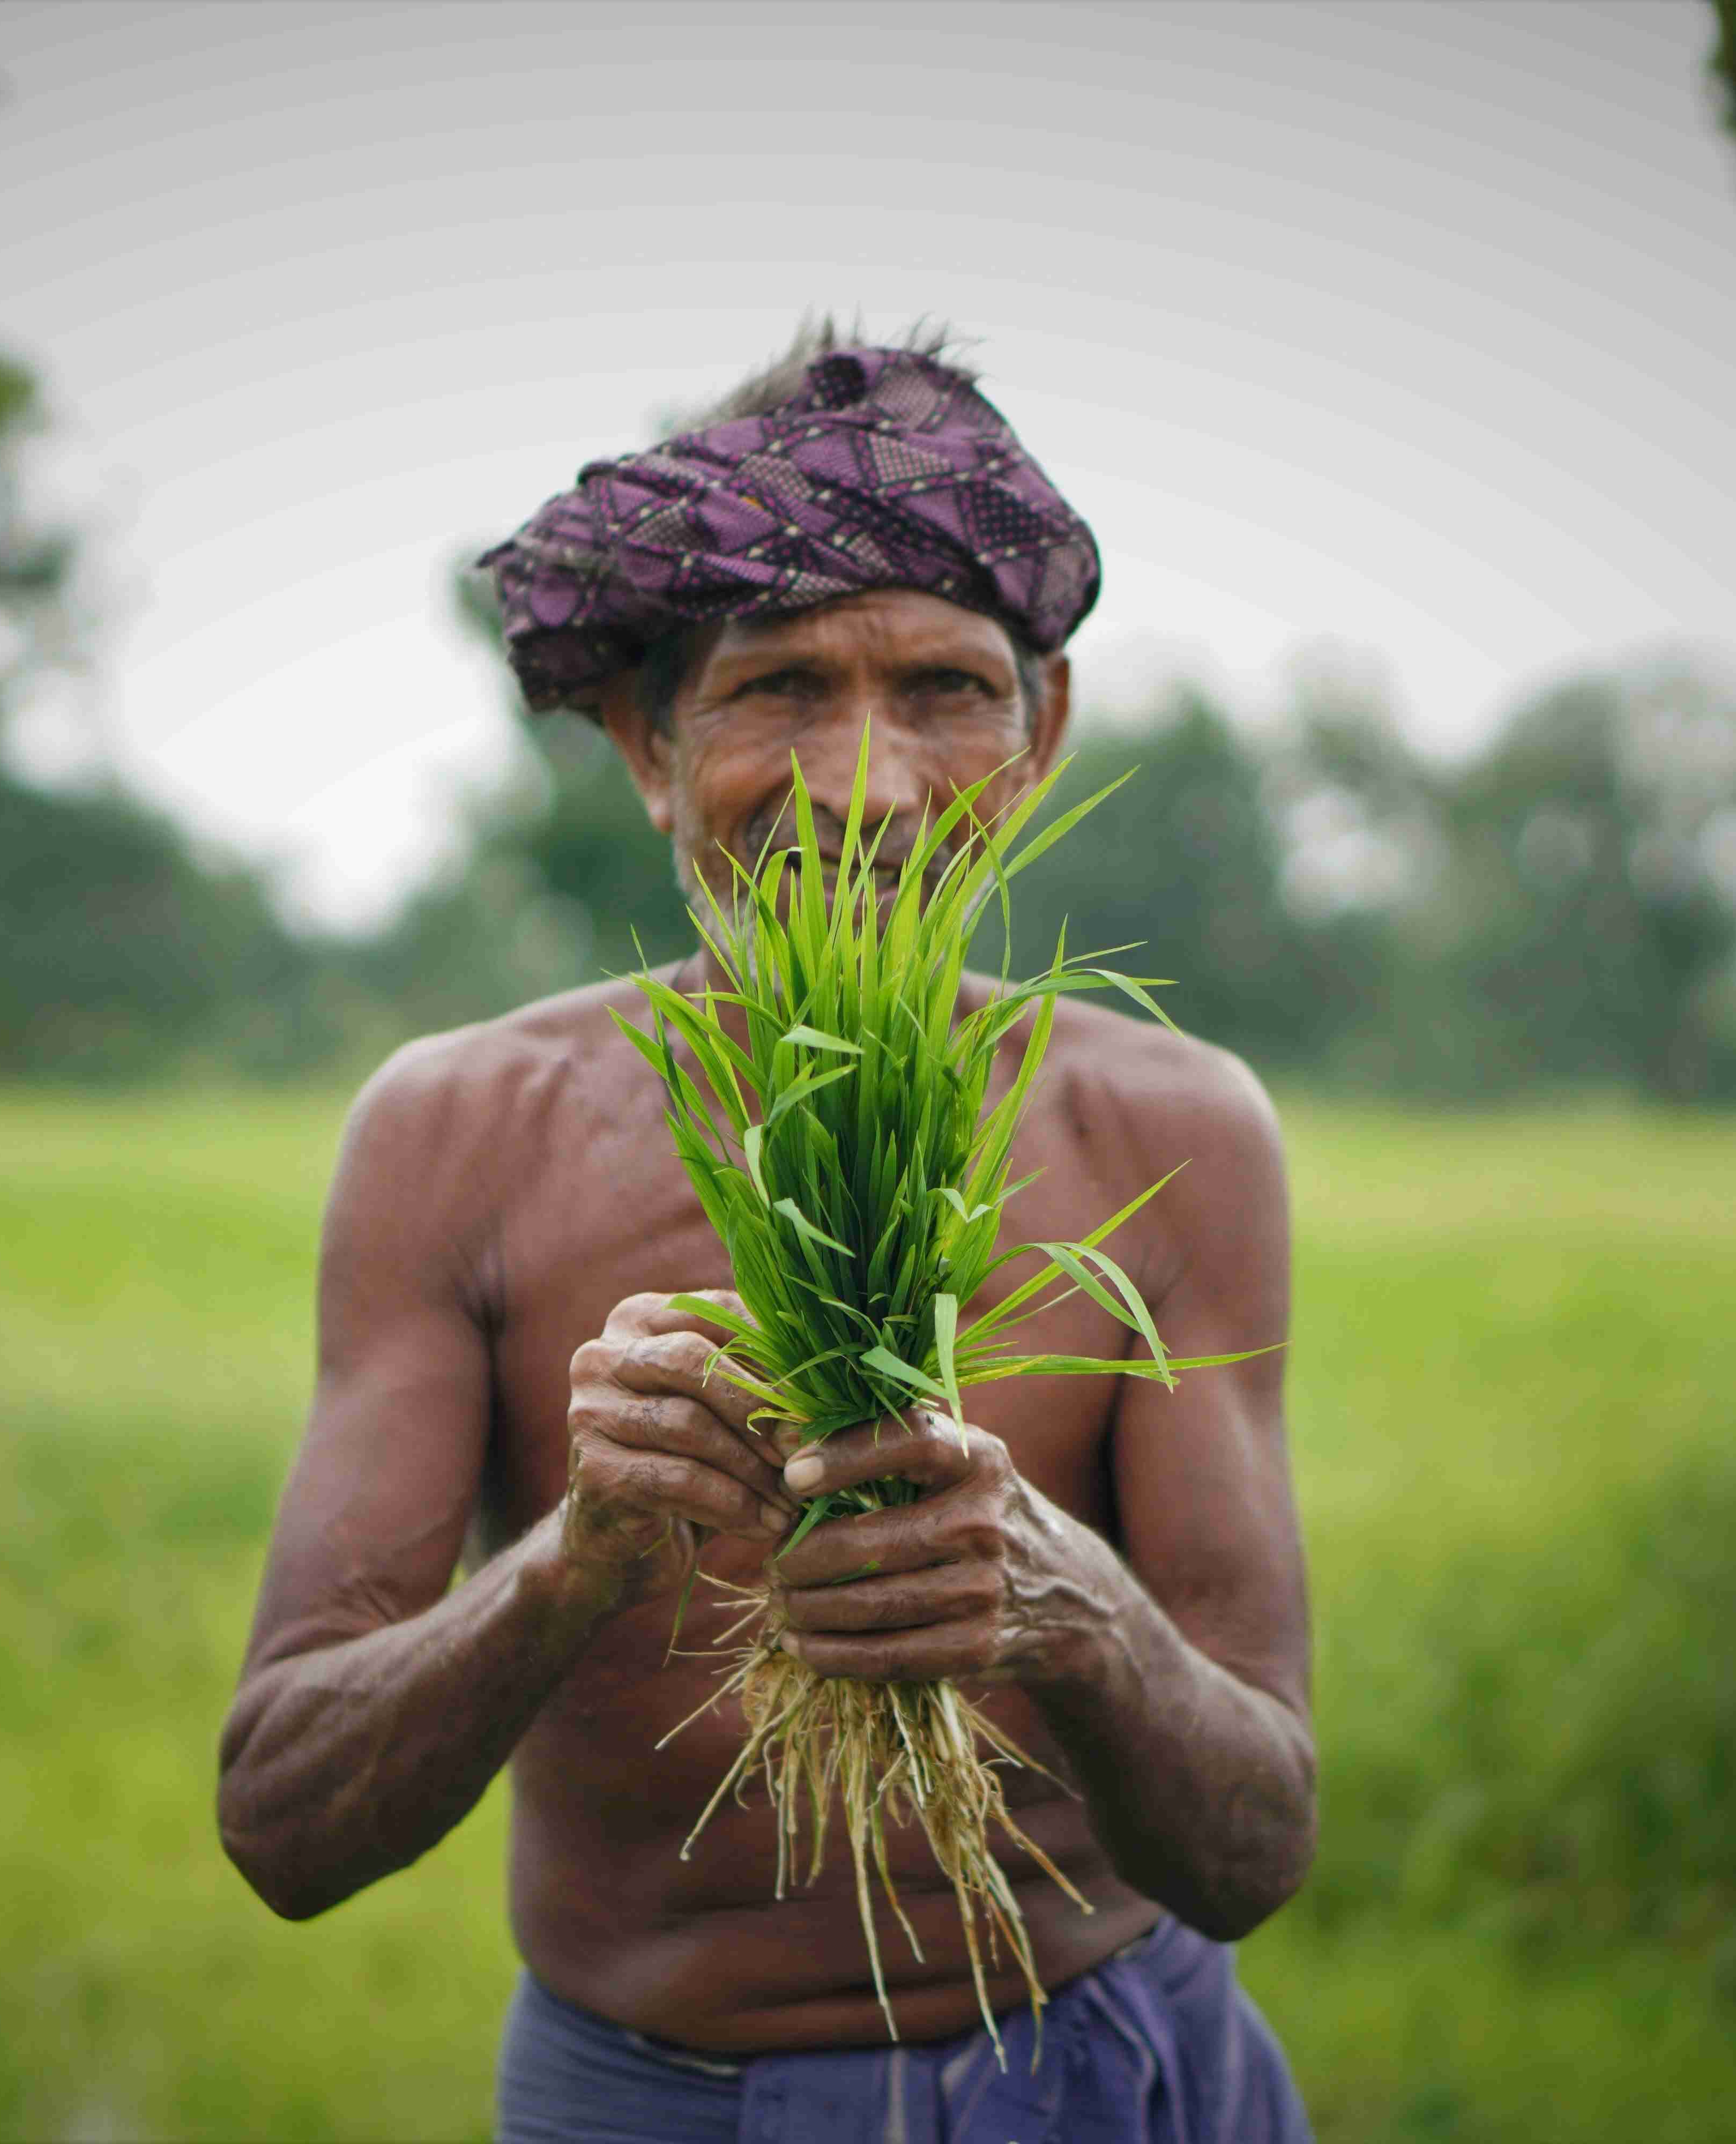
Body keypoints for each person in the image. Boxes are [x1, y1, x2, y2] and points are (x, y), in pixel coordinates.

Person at [218, 324, 1317, 2142]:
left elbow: (1258, 1846)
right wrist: (579, 1557)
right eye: (781, 686)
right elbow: (284, 1821)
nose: (866, 789)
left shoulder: (1171, 1132)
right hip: (644, 2094)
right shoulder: (463, 1136)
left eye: (949, 690)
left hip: (1104, 2063)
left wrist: (1072, 1610)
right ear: (652, 744)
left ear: (1040, 737)